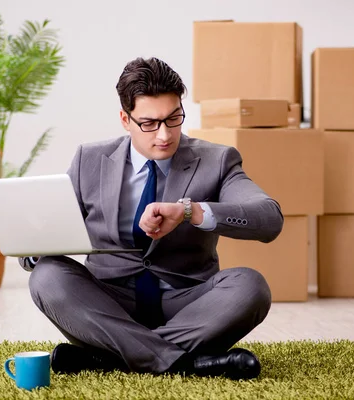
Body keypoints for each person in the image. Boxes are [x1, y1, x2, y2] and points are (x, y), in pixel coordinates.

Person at [23, 57, 284, 380]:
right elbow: (36, 245)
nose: (164, 135)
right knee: (46, 275)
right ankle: (187, 364)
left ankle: (110, 359)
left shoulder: (217, 160)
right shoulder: (89, 160)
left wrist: (191, 211)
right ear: (125, 119)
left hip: (189, 304)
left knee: (250, 286)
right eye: (149, 123)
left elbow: (269, 218)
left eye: (174, 119)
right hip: (109, 304)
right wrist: (35, 246)